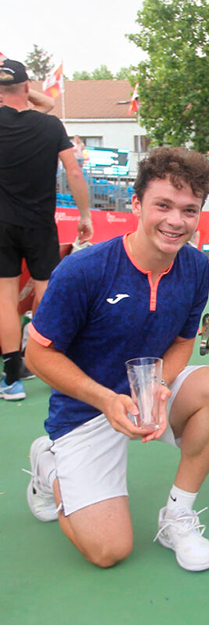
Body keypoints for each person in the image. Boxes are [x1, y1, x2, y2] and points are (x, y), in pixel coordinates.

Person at [24, 146, 209, 572]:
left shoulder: (196, 267)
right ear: (137, 204)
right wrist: (107, 399)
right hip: (85, 410)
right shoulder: (84, 270)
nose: (176, 221)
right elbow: (36, 355)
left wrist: (160, 386)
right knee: (108, 551)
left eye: (189, 210)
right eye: (163, 205)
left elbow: (182, 340)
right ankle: (48, 463)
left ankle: (177, 516)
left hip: (146, 394)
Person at [0, 59, 93, 400]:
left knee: (4, 298)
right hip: (40, 222)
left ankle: (11, 379)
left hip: (1, 222)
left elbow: (42, 103)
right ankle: (46, 364)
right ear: (27, 87)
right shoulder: (50, 126)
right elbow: (74, 172)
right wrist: (85, 215)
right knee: (46, 293)